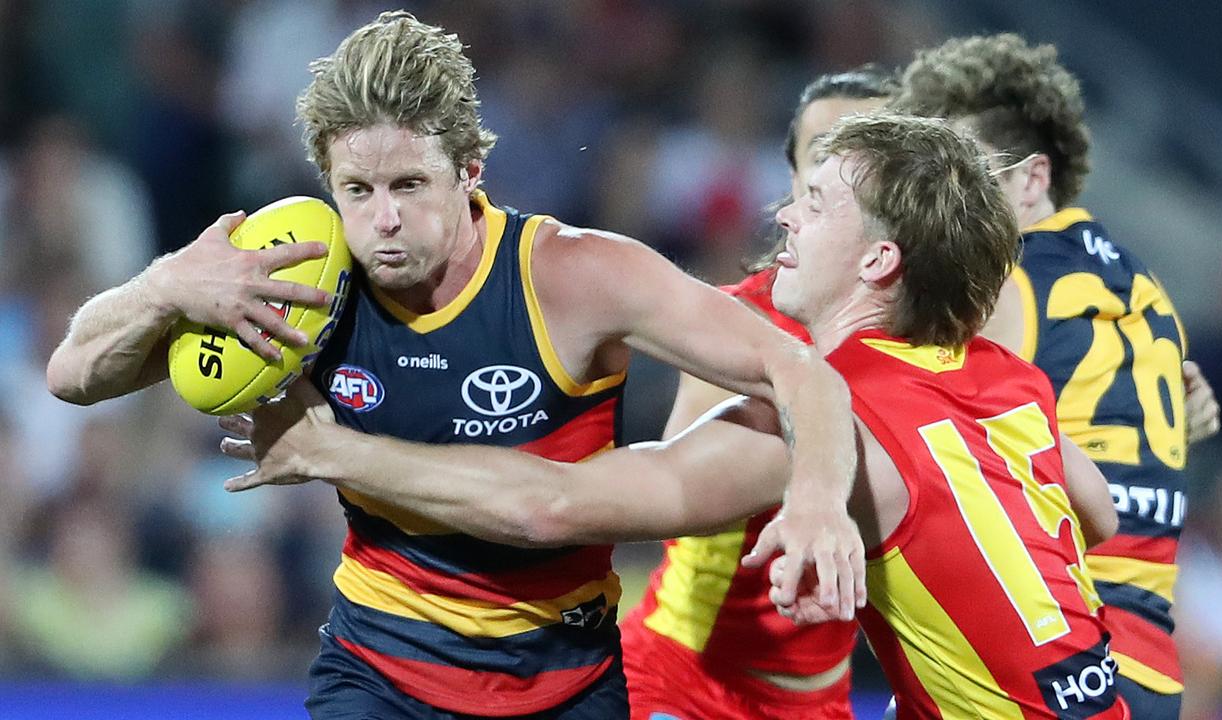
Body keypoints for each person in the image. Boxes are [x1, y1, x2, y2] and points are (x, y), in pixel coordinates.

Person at [43, 11, 864, 719]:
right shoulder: (303, 275)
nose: (384, 221)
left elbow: (800, 370)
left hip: (565, 679)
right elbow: (73, 373)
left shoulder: (573, 279)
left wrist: (823, 498)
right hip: (378, 672)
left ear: (471, 170)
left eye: (409, 184)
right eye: (356, 190)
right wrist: (162, 287)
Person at [221, 113, 1128, 719]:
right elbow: (1095, 513)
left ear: (880, 260)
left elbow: (555, 508)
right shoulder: (1011, 379)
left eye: (814, 205)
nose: (785, 217)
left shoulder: (818, 425)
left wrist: (333, 450)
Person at [893, 33, 1213, 718]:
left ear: (1032, 179)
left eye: (963, 174)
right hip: (1152, 669)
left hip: (1060, 661)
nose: (942, 201)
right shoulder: (1146, 290)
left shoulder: (1001, 285)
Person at [621, 66, 898, 720]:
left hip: (826, 698)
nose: (845, 182)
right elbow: (674, 501)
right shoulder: (732, 328)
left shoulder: (932, 341)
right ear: (796, 186)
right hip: (686, 684)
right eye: (825, 160)